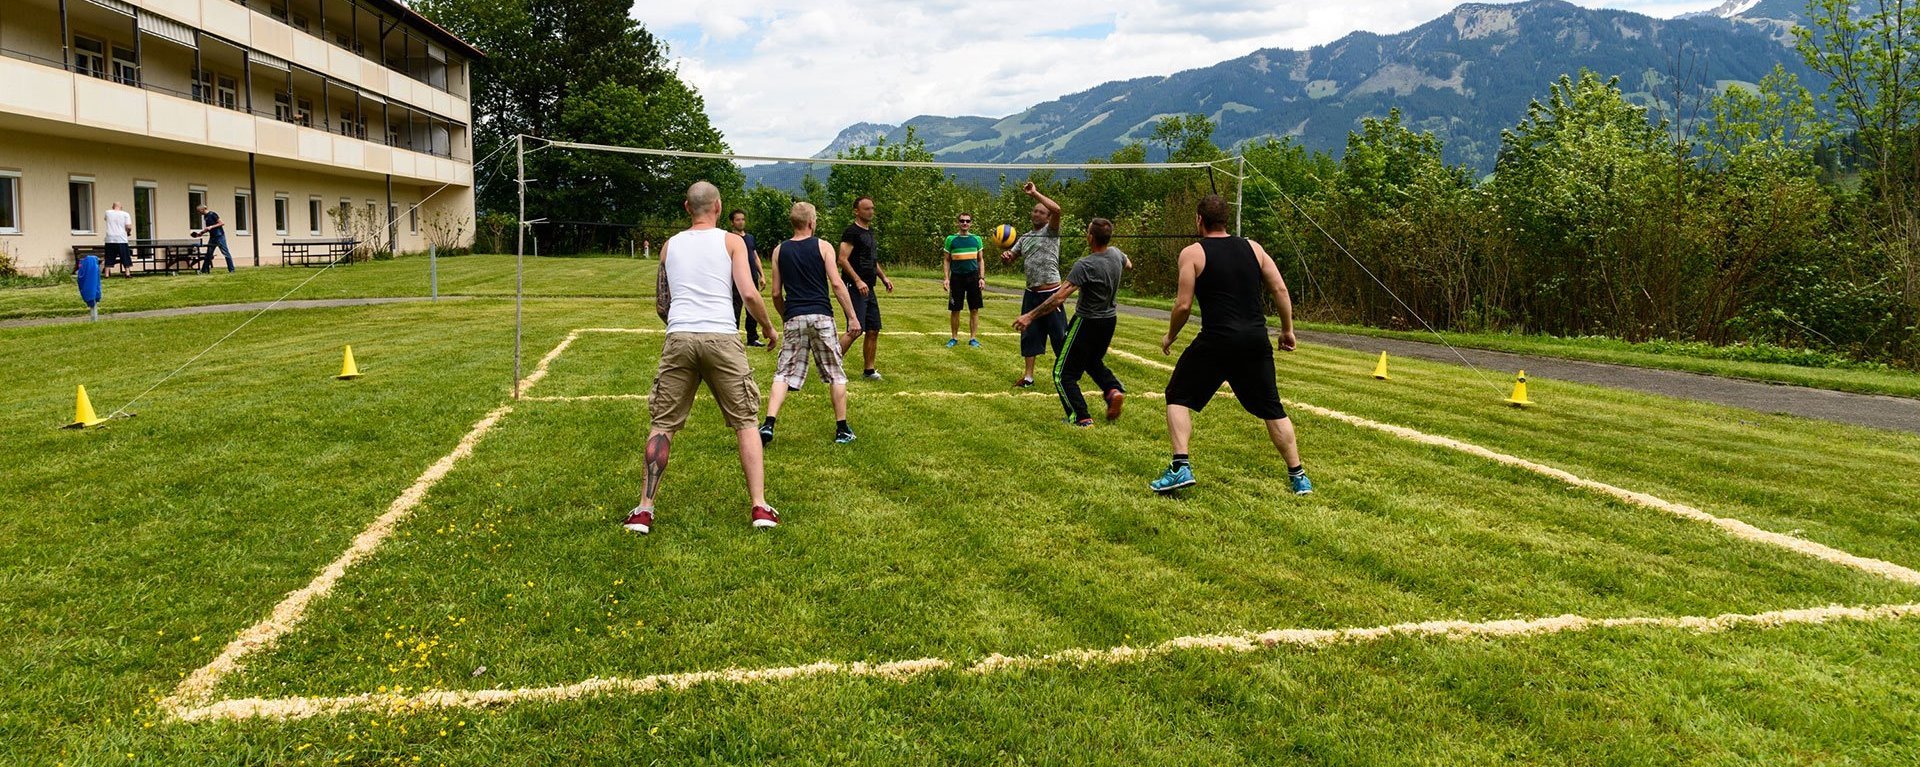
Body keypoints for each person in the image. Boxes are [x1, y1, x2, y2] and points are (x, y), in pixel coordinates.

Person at [625, 181, 782, 535]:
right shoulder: (732, 241)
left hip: (678, 336)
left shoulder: (669, 246)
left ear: (686, 207)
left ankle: (644, 511)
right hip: (722, 337)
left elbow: (662, 304)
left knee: (663, 423)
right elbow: (749, 293)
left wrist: (681, 327)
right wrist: (770, 329)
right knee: (745, 421)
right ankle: (759, 506)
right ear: (719, 207)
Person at [1151, 194, 1313, 496]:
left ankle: (1180, 466)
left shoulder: (1193, 253)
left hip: (1217, 340)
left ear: (1199, 219)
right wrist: (1287, 330)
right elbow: (1279, 288)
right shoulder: (1254, 248)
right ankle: (1299, 476)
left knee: (1177, 395)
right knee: (1272, 409)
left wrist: (1170, 336)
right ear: (1226, 219)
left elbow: (1183, 305)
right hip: (1255, 340)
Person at [759, 201, 863, 446]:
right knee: (836, 373)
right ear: (811, 223)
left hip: (794, 316)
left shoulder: (778, 250)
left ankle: (768, 424)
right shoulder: (823, 246)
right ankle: (842, 429)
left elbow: (775, 293)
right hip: (821, 316)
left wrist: (787, 316)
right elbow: (837, 284)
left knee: (782, 373)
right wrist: (852, 316)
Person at [1014, 218, 1127, 427]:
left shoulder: (1085, 265)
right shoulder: (1117, 254)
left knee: (1062, 373)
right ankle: (1112, 390)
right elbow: (1128, 264)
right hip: (1109, 321)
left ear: (1090, 237)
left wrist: (1029, 316)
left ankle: (1081, 417)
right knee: (1091, 361)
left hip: (1087, 322)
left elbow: (1059, 297)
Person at [1001, 182, 1065, 387]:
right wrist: (1007, 256)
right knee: (1029, 336)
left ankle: (1065, 376)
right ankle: (1028, 377)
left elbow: (1057, 209)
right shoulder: (1025, 238)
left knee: (1059, 338)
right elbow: (1012, 256)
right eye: (1035, 211)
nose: (1037, 214)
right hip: (1031, 292)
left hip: (1052, 293)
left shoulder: (1051, 232)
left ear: (1047, 218)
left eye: (1041, 212)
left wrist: (1035, 193)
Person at [836, 196, 892, 379]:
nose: (871, 212)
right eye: (867, 209)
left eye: (872, 208)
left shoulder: (870, 232)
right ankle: (831, 364)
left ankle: (869, 371)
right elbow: (842, 259)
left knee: (873, 329)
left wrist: (883, 277)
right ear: (856, 211)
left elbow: (872, 260)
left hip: (870, 288)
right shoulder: (851, 232)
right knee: (855, 329)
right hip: (854, 287)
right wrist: (858, 280)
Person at [942, 213, 986, 348]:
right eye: (962, 221)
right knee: (955, 309)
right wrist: (946, 278)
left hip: (973, 277)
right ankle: (954, 338)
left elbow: (980, 260)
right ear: (958, 223)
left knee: (974, 309)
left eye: (967, 221)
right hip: (956, 277)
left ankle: (973, 338)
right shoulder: (951, 239)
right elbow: (946, 260)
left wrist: (982, 278)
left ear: (971, 223)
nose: (965, 223)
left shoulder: (976, 239)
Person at [728, 209, 767, 347]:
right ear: (732, 222)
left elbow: (755, 256)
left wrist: (761, 275)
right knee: (735, 307)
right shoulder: (730, 238)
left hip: (751, 277)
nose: (741, 222)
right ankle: (733, 336)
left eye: (743, 219)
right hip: (737, 278)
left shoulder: (750, 238)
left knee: (752, 308)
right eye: (738, 219)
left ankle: (752, 338)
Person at [192, 205, 233, 273]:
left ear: (203, 209)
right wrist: (201, 233)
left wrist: (211, 226)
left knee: (225, 253)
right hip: (212, 237)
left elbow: (222, 223)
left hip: (219, 236)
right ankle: (204, 270)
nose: (198, 213)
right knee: (209, 253)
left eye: (199, 211)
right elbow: (208, 228)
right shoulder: (205, 217)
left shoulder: (212, 214)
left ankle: (231, 269)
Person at [103, 202, 133, 278]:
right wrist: (128, 232)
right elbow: (128, 227)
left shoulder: (107, 212)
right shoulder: (125, 214)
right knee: (125, 255)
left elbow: (106, 219)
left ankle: (106, 274)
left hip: (110, 238)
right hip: (121, 238)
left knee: (109, 256)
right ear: (121, 207)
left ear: (112, 207)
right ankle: (127, 273)